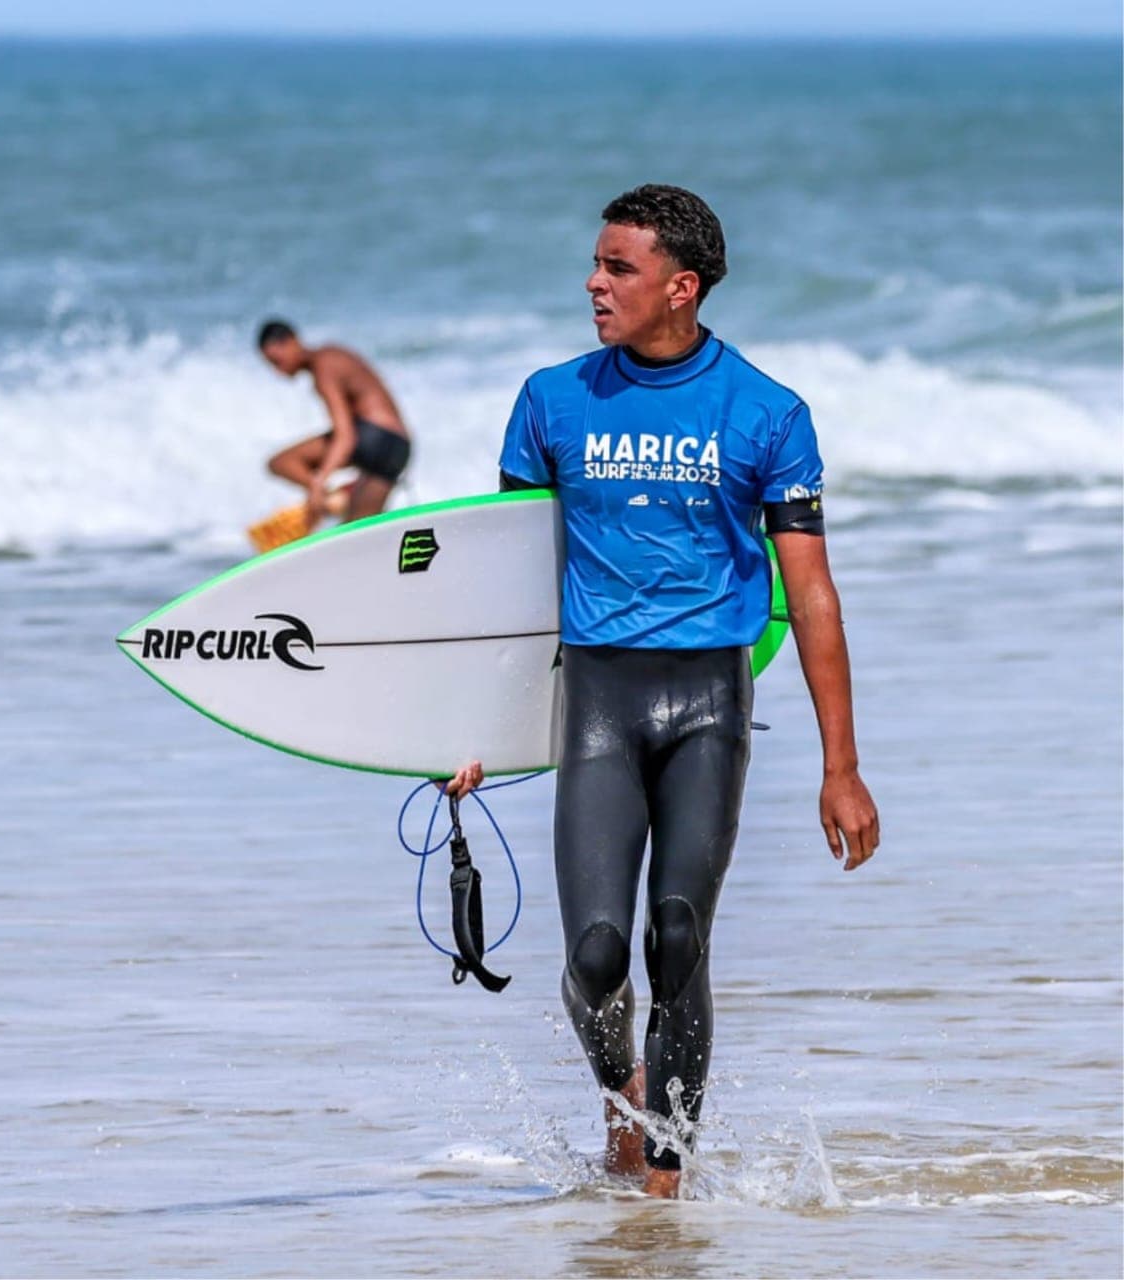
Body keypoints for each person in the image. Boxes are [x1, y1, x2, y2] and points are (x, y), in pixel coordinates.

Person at [445, 184, 879, 1199]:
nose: (594, 284)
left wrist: (841, 766)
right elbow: (506, 585)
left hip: (707, 703)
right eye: (594, 265)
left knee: (676, 933)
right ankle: (621, 1100)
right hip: (594, 697)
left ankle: (662, 1181)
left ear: (680, 288)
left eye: (618, 269)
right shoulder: (551, 398)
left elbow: (809, 594)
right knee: (597, 955)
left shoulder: (766, 412)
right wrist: (469, 729)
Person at [257, 320, 412, 526]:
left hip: (374, 436)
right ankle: (339, 498)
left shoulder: (323, 364)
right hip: (397, 448)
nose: (278, 371)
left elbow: (345, 436)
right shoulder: (334, 356)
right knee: (355, 531)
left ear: (292, 341)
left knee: (280, 463)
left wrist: (318, 484)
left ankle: (330, 498)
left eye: (277, 361)